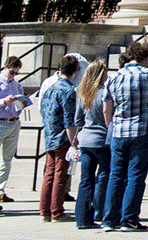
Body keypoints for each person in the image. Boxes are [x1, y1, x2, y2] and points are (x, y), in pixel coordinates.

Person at [101, 40, 148, 232]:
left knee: (115, 175)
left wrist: (111, 125)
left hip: (119, 131)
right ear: (145, 58)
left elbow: (106, 107)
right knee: (136, 175)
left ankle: (109, 219)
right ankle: (129, 218)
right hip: (141, 130)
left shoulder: (115, 76)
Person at [39, 55, 78, 222]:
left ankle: (44, 211)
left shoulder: (51, 88)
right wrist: (73, 141)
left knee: (49, 173)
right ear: (75, 72)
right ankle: (56, 211)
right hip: (62, 137)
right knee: (60, 175)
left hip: (49, 135)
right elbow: (69, 120)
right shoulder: (68, 91)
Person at [74, 59, 111, 229]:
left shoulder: (84, 93)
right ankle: (101, 213)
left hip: (86, 139)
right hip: (102, 140)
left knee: (85, 180)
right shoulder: (105, 93)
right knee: (103, 177)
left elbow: (77, 119)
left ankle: (82, 218)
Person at [0, 55, 29, 203]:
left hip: (13, 122)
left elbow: (18, 104)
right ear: (5, 68)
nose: (13, 75)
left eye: (16, 73)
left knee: (7, 160)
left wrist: (22, 103)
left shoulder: (16, 85)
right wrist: (4, 101)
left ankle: (0, 190)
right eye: (12, 72)